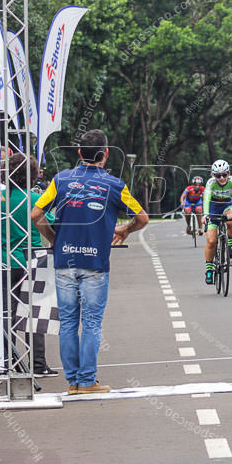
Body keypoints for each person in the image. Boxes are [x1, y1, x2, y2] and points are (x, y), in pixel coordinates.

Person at [32, 130, 149, 394]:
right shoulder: (115, 185)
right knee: (92, 323)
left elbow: (36, 213)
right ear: (106, 154)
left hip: (64, 261)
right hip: (95, 264)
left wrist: (53, 237)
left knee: (69, 322)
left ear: (79, 154)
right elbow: (142, 217)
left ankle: (73, 381)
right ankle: (87, 381)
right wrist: (125, 230)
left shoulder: (60, 180)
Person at [1, 153, 56, 378]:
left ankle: (9, 362)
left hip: (4, 261)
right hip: (31, 259)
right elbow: (51, 224)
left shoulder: (0, 199)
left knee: (7, 315)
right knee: (35, 315)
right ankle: (38, 364)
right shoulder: (35, 199)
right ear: (32, 175)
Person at [202, 160, 232, 284]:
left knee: (231, 219)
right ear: (213, 175)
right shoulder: (210, 183)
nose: (221, 178)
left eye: (224, 175)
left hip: (227, 205)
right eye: (218, 175)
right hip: (213, 208)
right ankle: (209, 270)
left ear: (229, 173)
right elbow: (206, 199)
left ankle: (231, 245)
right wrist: (205, 215)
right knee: (211, 241)